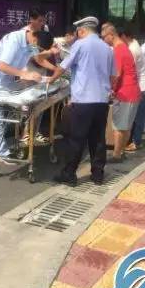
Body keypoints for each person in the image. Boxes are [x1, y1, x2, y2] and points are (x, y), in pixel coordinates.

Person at [0, 8, 56, 161]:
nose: (37, 51)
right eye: (38, 48)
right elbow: (1, 66)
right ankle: (0, 151)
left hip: (7, 78)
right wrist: (25, 74)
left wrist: (43, 76)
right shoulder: (15, 39)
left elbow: (37, 58)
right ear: (35, 39)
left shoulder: (33, 41)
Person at [50, 16, 116, 186]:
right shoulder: (108, 48)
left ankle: (69, 174)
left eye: (78, 32)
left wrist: (50, 80)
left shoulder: (80, 45)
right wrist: (108, 91)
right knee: (98, 138)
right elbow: (113, 76)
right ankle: (98, 174)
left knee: (76, 138)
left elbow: (63, 66)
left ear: (82, 30)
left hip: (83, 101)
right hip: (101, 101)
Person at [102, 24, 140, 163]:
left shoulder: (118, 50)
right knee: (126, 126)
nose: (103, 40)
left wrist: (111, 89)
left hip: (125, 93)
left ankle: (116, 155)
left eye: (104, 37)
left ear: (111, 35)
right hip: (133, 92)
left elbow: (116, 75)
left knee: (118, 127)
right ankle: (121, 151)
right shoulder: (124, 47)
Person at [120, 30, 145, 152]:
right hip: (143, 84)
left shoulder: (133, 49)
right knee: (136, 114)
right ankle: (133, 140)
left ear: (124, 36)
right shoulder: (134, 43)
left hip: (142, 87)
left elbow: (129, 71)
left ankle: (136, 142)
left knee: (138, 115)